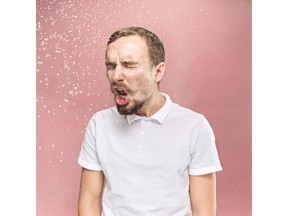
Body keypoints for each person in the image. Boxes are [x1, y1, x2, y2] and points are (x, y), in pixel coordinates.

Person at [77, 26, 222, 216]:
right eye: (111, 65)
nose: (115, 76)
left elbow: (204, 211)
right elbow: (89, 201)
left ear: (158, 72)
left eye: (128, 65)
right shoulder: (99, 124)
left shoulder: (194, 127)